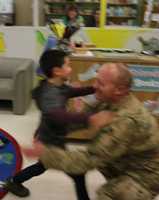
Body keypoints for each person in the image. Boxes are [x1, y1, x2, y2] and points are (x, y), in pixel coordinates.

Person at [31, 62, 159, 200]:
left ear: (119, 89)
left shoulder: (126, 120)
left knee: (108, 194)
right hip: (126, 161)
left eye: (101, 83)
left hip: (151, 174)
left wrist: (46, 154)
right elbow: (81, 119)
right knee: (105, 164)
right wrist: (48, 128)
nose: (95, 86)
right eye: (96, 81)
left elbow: (89, 159)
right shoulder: (109, 99)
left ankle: (140, 191)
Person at [3, 49, 112, 200]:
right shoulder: (50, 94)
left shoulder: (58, 86)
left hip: (52, 138)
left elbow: (72, 92)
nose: (71, 68)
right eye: (68, 65)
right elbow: (56, 114)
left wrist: (93, 88)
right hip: (50, 142)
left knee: (42, 166)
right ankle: (14, 181)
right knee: (77, 173)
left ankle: (14, 181)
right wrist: (89, 119)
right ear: (57, 71)